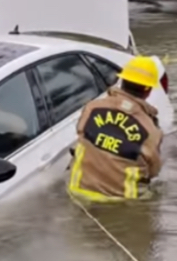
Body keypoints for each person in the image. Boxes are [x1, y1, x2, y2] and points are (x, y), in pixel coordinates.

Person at [67, 55, 164, 205]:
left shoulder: (92, 107)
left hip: (79, 191)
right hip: (122, 202)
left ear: (122, 81)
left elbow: (82, 135)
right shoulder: (150, 129)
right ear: (148, 90)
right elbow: (154, 171)